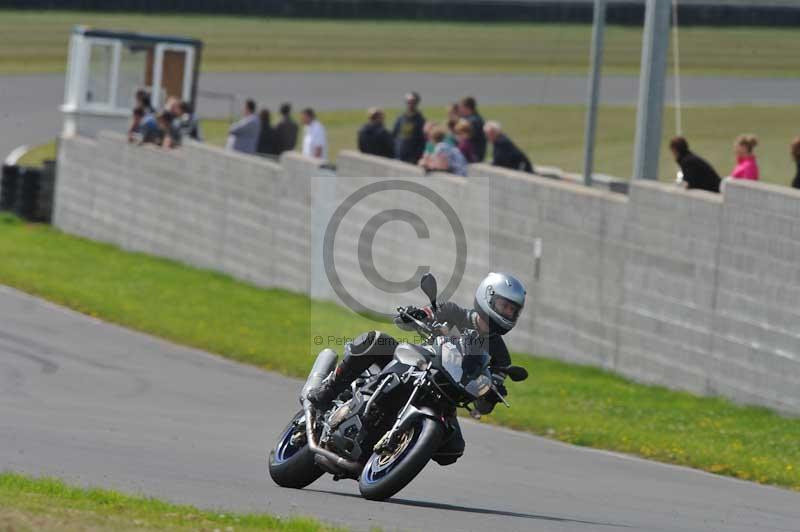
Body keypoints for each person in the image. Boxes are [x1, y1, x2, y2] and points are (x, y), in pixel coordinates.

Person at [307, 272, 527, 465]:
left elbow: (485, 401)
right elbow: (417, 317)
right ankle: (329, 390)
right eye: (504, 305)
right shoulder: (454, 313)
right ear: (487, 297)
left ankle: (400, 449)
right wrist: (417, 315)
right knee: (374, 341)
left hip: (447, 393)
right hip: (417, 364)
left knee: (452, 450)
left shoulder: (501, 356)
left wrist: (491, 395)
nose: (507, 313)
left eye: (512, 310)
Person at [392, 91, 426, 164]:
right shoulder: (400, 118)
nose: (410, 104)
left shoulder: (420, 121)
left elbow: (423, 141)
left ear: (417, 103)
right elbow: (394, 136)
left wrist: (416, 157)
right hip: (398, 157)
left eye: (412, 102)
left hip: (412, 159)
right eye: (408, 102)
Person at [458, 96, 486, 162]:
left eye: (461, 107)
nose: (460, 109)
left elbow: (466, 138)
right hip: (471, 153)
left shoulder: (474, 121)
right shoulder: (470, 118)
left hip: (474, 155)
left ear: (467, 108)